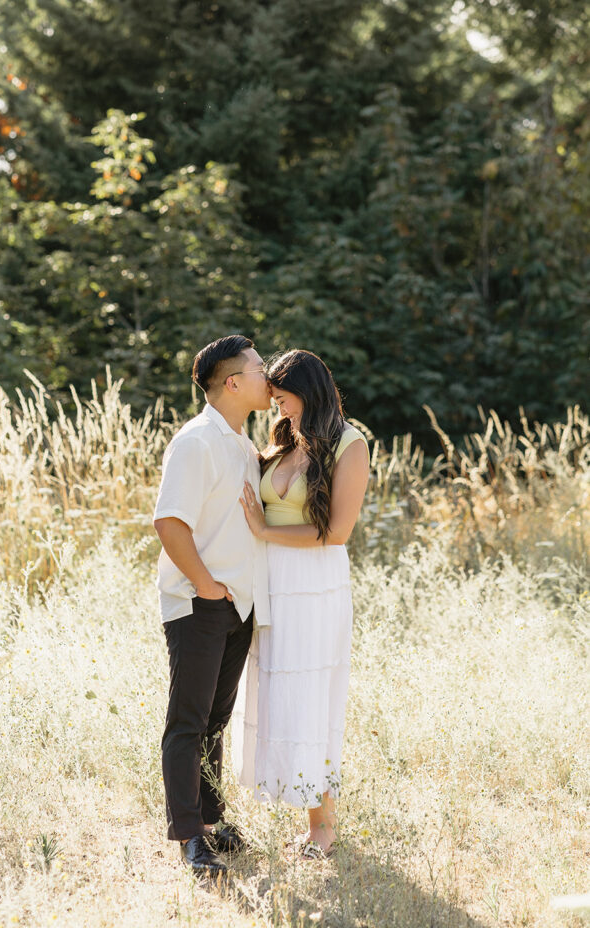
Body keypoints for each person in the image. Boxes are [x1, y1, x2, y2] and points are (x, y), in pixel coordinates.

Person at [234, 349, 369, 857]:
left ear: (305, 391)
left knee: (313, 697)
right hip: (273, 586)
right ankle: (302, 804)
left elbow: (336, 533)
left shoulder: (349, 444)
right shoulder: (282, 442)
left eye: (282, 395)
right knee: (280, 695)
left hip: (316, 587)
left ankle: (323, 828)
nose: (275, 404)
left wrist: (264, 528)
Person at [153, 334, 272, 876]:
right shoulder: (197, 441)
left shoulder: (243, 444)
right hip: (201, 602)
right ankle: (189, 837)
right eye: (258, 367)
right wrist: (204, 584)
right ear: (232, 382)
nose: (267, 374)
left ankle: (211, 817)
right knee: (188, 720)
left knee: (215, 722)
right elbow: (169, 521)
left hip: (239, 604)